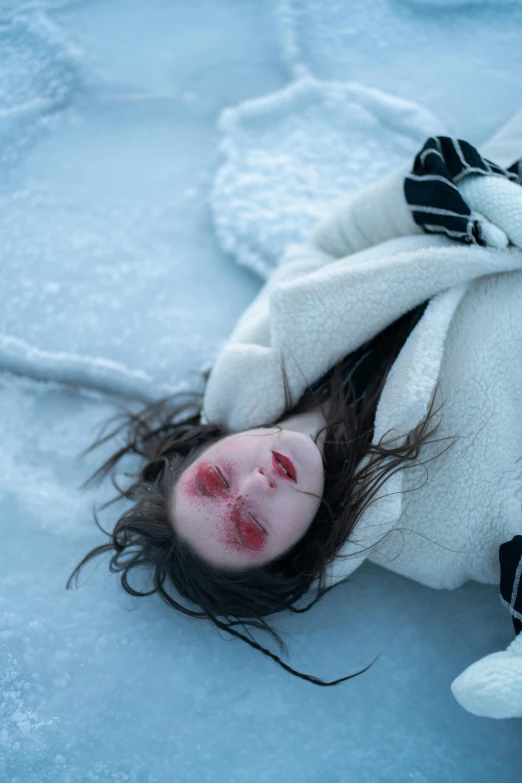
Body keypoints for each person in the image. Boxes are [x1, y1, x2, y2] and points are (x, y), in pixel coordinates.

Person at [67, 110, 522, 701]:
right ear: (295, 553)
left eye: (215, 481)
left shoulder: (259, 353)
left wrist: (448, 195)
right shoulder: (433, 540)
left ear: (208, 448)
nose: (255, 486)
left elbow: (330, 242)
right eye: (252, 526)